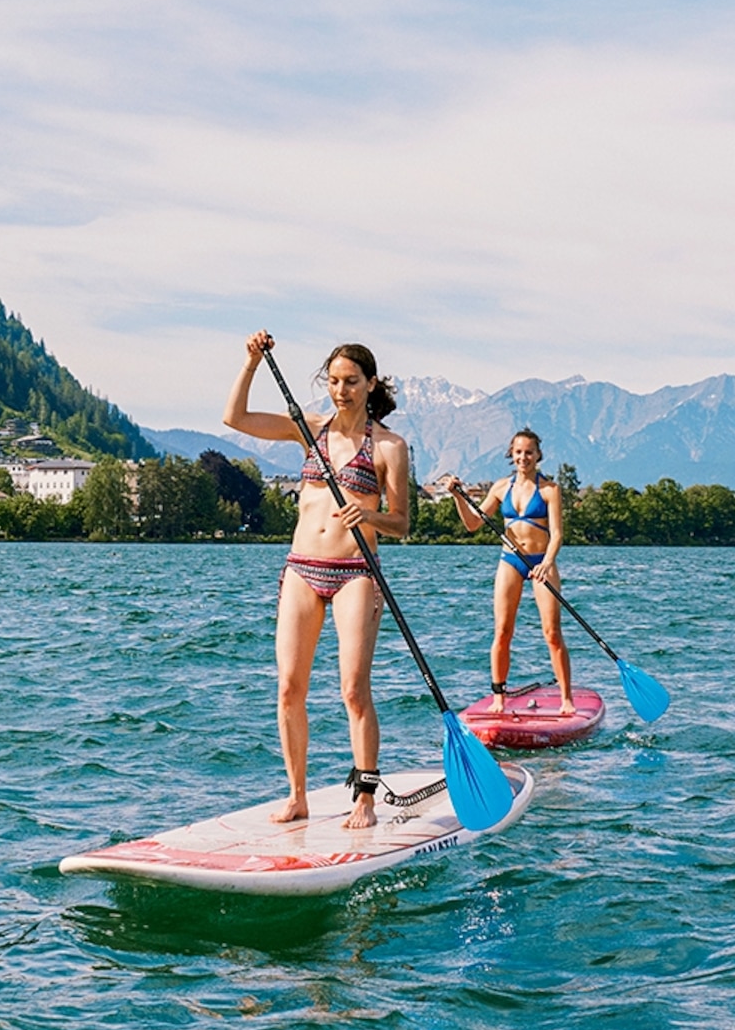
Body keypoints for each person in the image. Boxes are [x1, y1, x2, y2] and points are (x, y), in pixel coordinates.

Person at [223, 333, 413, 828]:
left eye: (351, 382)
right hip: (302, 569)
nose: (340, 391)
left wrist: (367, 517)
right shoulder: (311, 429)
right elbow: (235, 419)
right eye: (332, 381)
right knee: (289, 687)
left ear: (370, 385)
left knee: (353, 689)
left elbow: (402, 522)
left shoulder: (390, 446)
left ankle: (365, 798)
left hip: (356, 573)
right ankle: (297, 796)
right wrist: (250, 364)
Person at [438, 429, 572, 709]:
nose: (523, 457)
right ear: (511, 455)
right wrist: (457, 497)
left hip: (541, 563)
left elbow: (557, 534)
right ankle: (499, 697)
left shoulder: (550, 490)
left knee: (552, 633)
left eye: (529, 452)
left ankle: (566, 699)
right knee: (502, 631)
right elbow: (472, 524)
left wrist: (547, 563)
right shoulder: (501, 488)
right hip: (510, 561)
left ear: (538, 455)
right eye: (518, 452)